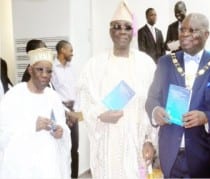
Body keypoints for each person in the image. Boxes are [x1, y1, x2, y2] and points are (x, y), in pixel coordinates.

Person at [145, 13, 210, 178]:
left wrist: (206, 117)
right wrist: (155, 111)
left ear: (206, 34)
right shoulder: (165, 62)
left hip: (204, 155)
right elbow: (151, 99)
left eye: (192, 30)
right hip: (170, 153)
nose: (184, 34)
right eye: (182, 29)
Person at [78, 1, 157, 178]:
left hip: (136, 142)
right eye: (117, 26)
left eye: (127, 27)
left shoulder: (146, 65)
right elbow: (85, 103)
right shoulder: (94, 66)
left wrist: (149, 140)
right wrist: (99, 115)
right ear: (110, 31)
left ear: (133, 32)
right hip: (107, 140)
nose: (122, 31)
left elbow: (153, 104)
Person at [0, 48, 71, 178]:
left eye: (49, 71)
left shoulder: (53, 96)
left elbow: (62, 125)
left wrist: (61, 131)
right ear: (30, 70)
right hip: (23, 167)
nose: (45, 75)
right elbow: (3, 133)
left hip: (50, 164)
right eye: (40, 69)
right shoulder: (14, 96)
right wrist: (32, 126)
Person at [51, 40, 79, 178]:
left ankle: (74, 176)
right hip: (61, 111)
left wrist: (77, 112)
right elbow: (52, 93)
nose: (72, 54)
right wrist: (66, 112)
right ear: (62, 50)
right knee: (62, 147)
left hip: (74, 109)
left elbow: (77, 91)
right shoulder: (52, 68)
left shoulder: (71, 67)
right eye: (70, 50)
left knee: (75, 147)